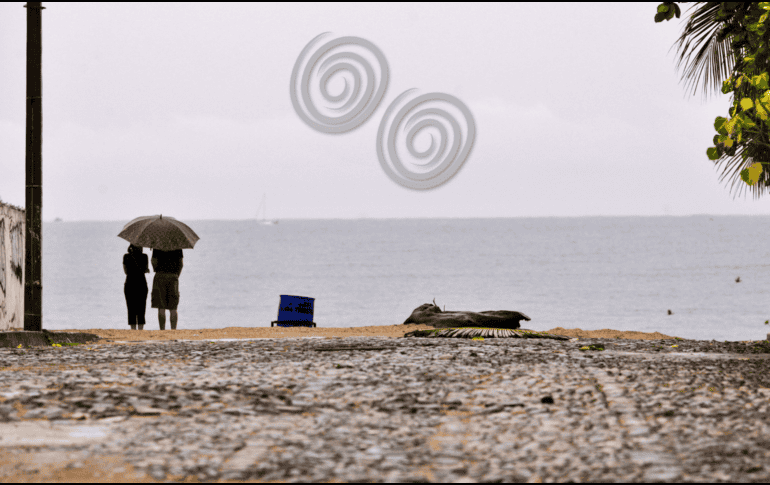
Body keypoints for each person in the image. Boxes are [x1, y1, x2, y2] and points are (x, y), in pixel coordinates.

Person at [150, 248, 183, 330]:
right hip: (173, 276)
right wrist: (176, 275)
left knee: (161, 306)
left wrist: (156, 269)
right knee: (173, 307)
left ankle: (162, 330)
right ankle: (173, 330)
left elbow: (153, 261)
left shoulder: (157, 245)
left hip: (160, 275)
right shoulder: (177, 246)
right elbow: (181, 264)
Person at [123, 244, 149, 330]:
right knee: (141, 307)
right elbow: (146, 269)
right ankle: (140, 330)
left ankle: (133, 330)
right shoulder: (144, 256)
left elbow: (126, 271)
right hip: (141, 283)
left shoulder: (126, 256)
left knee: (131, 308)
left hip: (130, 283)